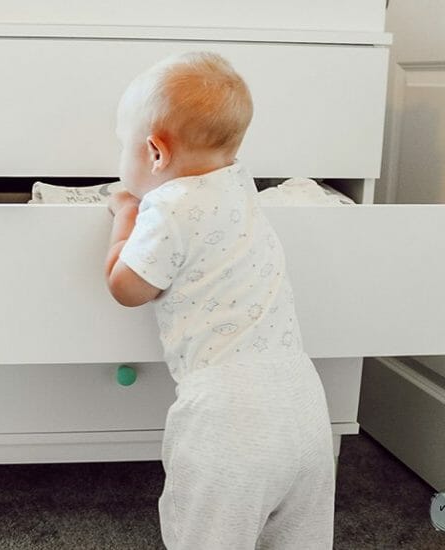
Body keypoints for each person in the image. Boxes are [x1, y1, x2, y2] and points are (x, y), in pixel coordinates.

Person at [105, 51, 335, 549]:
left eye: (123, 146)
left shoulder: (165, 207)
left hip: (229, 419)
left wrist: (125, 215)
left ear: (155, 153)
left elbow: (127, 287)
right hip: (304, 403)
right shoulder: (240, 184)